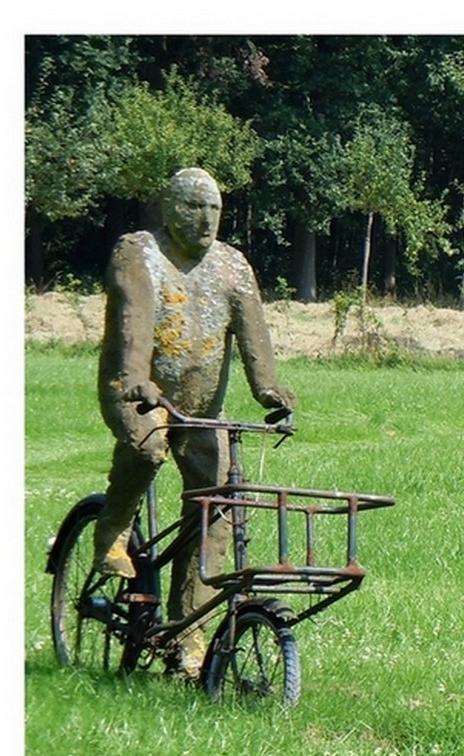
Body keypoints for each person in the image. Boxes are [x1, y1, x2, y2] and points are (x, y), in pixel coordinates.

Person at [92, 167, 296, 680]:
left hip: (203, 411)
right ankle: (111, 534)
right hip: (137, 393)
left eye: (213, 210)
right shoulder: (139, 254)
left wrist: (270, 391)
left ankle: (190, 635)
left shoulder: (232, 267)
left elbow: (256, 346)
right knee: (145, 448)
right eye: (191, 207)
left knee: (218, 506)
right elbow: (133, 327)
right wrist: (138, 380)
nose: (204, 220)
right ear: (167, 207)